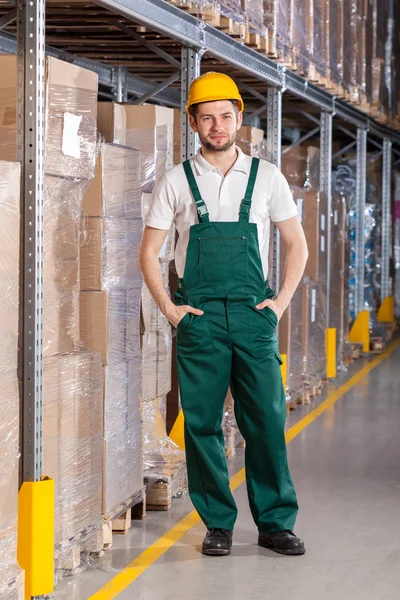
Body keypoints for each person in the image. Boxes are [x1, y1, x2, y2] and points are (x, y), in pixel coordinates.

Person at [138, 72, 309, 557]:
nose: (218, 125)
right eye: (207, 116)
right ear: (193, 121)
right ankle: (218, 523)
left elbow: (297, 244)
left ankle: (276, 523)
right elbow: (149, 252)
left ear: (239, 119)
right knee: (202, 425)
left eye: (226, 116)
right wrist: (172, 312)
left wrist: (278, 305)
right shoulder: (176, 180)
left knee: (266, 423)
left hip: (255, 318)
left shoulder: (267, 176)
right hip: (202, 319)